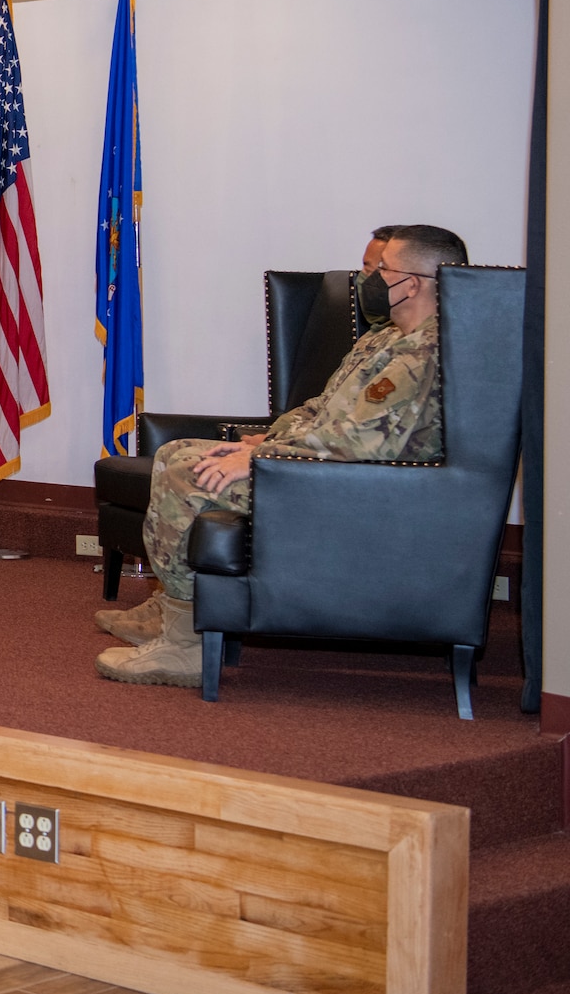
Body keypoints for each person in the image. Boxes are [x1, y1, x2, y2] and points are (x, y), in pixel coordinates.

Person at [96, 225, 467, 688]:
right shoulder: (384, 338)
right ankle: (175, 608)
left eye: (380, 269)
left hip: (359, 489)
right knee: (177, 453)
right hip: (321, 468)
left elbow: (358, 444)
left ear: (411, 282)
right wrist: (259, 440)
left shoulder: (423, 352)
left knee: (186, 478)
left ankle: (186, 644)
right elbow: (320, 410)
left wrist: (261, 458)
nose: (365, 280)